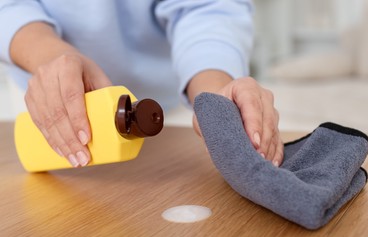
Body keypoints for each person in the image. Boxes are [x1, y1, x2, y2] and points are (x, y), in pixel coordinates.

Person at [0, 0, 283, 168]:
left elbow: (206, 7)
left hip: (173, 96)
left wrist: (214, 92)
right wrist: (46, 53)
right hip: (49, 98)